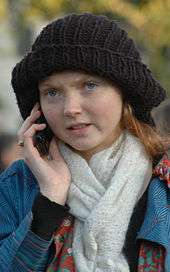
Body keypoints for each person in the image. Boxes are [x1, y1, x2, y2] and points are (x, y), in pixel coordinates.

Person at [0, 12, 169, 272]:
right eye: (52, 92)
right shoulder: (18, 185)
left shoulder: (164, 182)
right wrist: (50, 201)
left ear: (124, 92)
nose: (70, 108)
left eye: (89, 85)